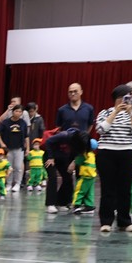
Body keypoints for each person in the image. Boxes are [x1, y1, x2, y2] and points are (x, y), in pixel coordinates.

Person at [95, 84, 132, 233]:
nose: (129, 100)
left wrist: (130, 113)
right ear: (118, 98)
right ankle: (106, 221)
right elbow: (101, 129)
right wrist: (115, 112)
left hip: (127, 153)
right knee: (107, 189)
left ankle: (125, 221)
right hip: (106, 153)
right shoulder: (105, 112)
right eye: (126, 97)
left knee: (125, 189)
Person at [49, 83, 96, 212]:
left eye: (75, 91)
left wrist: (83, 138)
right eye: (70, 91)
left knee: (83, 175)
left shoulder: (89, 108)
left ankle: (84, 203)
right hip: (66, 148)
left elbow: (90, 125)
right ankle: (64, 201)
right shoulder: (62, 110)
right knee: (67, 176)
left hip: (82, 148)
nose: (73, 93)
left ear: (81, 92)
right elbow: (58, 128)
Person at [0, 105, 29, 192]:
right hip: (8, 148)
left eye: (20, 112)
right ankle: (8, 184)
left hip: (19, 148)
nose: (18, 113)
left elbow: (26, 136)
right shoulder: (6, 122)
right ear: (13, 112)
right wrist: (1, 143)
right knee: (9, 166)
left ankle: (17, 183)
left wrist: (27, 148)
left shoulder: (23, 123)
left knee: (18, 167)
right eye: (16, 111)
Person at [72, 139, 97, 215]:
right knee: (89, 192)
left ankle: (76, 205)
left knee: (79, 191)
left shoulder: (84, 154)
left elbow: (78, 161)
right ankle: (89, 206)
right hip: (92, 176)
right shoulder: (92, 154)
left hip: (85, 176)